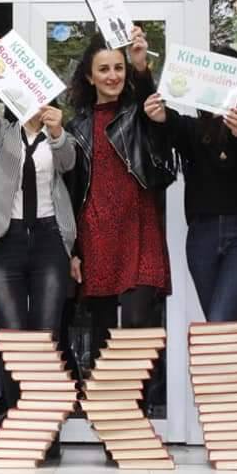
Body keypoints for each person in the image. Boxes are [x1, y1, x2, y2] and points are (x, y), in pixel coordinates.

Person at [0, 30, 77, 439]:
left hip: (49, 239)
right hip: (6, 240)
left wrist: (58, 133)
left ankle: (46, 432)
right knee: (13, 339)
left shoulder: (59, 135)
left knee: (45, 337)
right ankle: (19, 427)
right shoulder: (1, 134)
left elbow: (68, 163)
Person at [64, 28, 175, 377]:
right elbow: (71, 191)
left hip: (140, 226)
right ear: (89, 76)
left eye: (118, 68)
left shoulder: (138, 112)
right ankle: (108, 403)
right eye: (104, 69)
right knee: (103, 330)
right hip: (97, 231)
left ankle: (137, 402)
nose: (112, 76)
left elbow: (150, 103)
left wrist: (141, 66)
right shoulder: (76, 127)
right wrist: (73, 250)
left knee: (139, 320)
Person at [144, 47, 237, 322]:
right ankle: (233, 352)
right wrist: (143, 71)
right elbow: (165, 119)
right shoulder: (193, 129)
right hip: (203, 235)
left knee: (219, 321)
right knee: (220, 325)